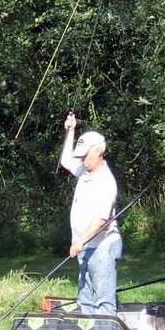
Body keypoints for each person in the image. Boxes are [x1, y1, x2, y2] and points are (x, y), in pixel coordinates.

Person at [60, 112, 122, 315]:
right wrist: (71, 130)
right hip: (84, 246)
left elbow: (102, 221)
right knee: (85, 300)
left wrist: (80, 241)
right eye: (82, 155)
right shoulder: (84, 171)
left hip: (101, 246)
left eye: (86, 155)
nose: (83, 159)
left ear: (99, 151)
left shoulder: (106, 182)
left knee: (103, 302)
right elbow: (66, 160)